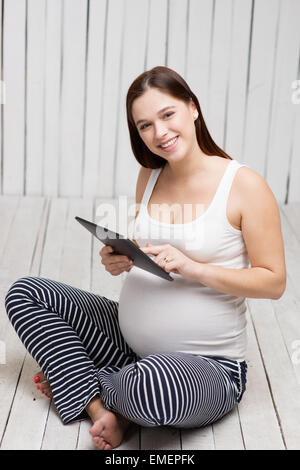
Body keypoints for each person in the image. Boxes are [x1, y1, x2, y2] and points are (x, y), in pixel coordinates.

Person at [4, 66, 286, 451]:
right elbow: (149, 247)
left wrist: (194, 267)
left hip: (208, 368)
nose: (160, 133)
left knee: (151, 388)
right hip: (128, 343)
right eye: (145, 125)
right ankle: (103, 406)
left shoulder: (244, 186)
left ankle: (78, 380)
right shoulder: (150, 175)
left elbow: (273, 282)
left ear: (193, 108)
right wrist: (122, 257)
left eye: (167, 115)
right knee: (26, 293)